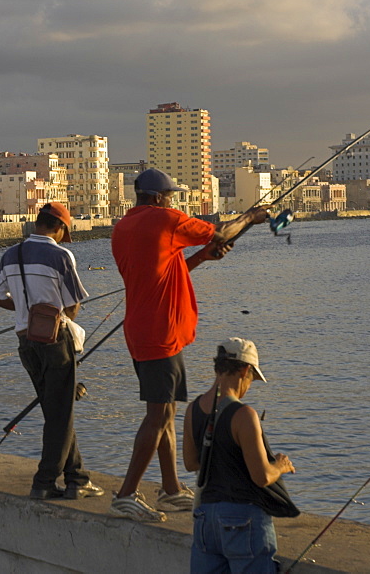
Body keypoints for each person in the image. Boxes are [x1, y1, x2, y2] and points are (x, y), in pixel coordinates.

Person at [109, 168, 271, 522]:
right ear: (157, 198)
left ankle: (170, 489)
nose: (171, 201)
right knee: (157, 417)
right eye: (169, 196)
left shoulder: (123, 228)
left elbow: (163, 271)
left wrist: (200, 258)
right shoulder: (166, 220)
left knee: (165, 412)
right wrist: (251, 218)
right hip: (160, 333)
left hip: (141, 329)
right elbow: (222, 231)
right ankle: (126, 494)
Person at [0, 202, 104, 500]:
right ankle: (44, 481)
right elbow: (74, 303)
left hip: (25, 342)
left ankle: (77, 478)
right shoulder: (61, 255)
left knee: (56, 410)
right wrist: (52, 318)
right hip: (55, 342)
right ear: (61, 227)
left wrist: (27, 310)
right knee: (61, 414)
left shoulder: (11, 253)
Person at [183, 338, 298, 572]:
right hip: (242, 518)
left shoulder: (192, 409)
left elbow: (190, 463)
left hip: (206, 518)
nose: (249, 386)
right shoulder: (244, 415)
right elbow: (262, 476)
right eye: (252, 379)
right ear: (245, 369)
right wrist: (281, 465)